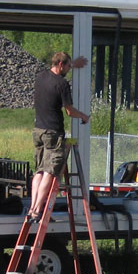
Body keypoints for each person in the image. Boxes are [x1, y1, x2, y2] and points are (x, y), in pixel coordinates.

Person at [26, 51, 90, 222]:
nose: (69, 69)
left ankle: (32, 207)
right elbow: (69, 111)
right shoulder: (62, 84)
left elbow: (54, 71)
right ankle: (37, 211)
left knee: (39, 171)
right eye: (68, 66)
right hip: (53, 132)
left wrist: (74, 64)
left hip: (38, 130)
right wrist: (84, 116)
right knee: (50, 172)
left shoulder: (40, 77)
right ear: (61, 65)